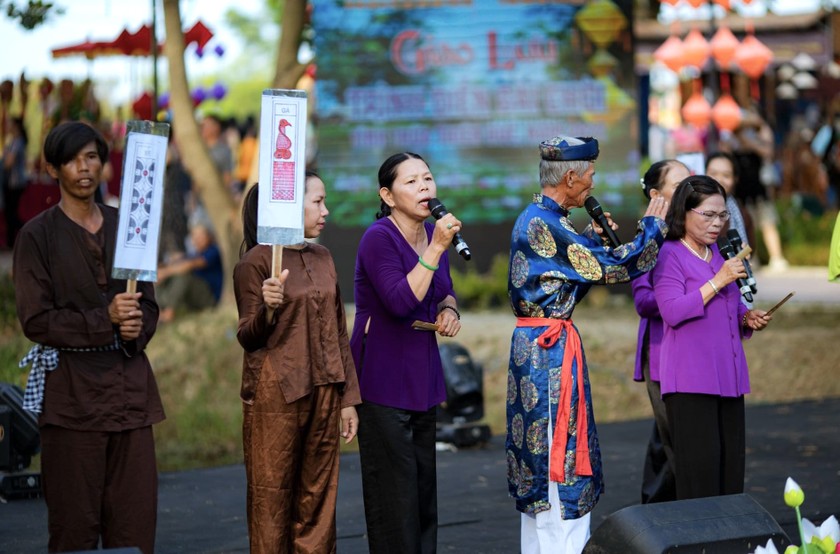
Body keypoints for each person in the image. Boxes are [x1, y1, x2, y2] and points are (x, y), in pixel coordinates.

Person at [507, 135, 669, 554]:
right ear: (571, 176)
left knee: (544, 475)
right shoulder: (543, 223)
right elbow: (615, 268)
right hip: (548, 356)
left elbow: (566, 281)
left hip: (544, 346)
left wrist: (591, 239)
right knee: (556, 467)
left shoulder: (546, 219)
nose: (593, 184)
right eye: (591, 176)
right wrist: (653, 227)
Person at [13, 121, 164, 553]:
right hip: (72, 400)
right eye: (73, 159)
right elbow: (36, 320)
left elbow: (147, 304)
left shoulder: (130, 227)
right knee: (74, 529)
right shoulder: (36, 236)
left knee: (134, 528)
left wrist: (137, 327)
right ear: (53, 168)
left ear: (105, 165)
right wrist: (106, 319)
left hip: (130, 394)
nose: (85, 168)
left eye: (93, 157)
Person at [233, 174, 360, 554]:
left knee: (318, 501)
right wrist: (268, 309)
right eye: (317, 202)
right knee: (272, 500)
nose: (325, 212)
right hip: (276, 395)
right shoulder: (256, 262)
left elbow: (339, 330)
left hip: (325, 389)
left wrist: (348, 398)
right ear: (289, 206)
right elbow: (247, 335)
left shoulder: (323, 257)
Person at [350, 152, 462, 554]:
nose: (424, 188)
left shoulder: (434, 236)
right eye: (411, 182)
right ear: (388, 194)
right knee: (394, 495)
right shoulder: (378, 238)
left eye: (427, 179)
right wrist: (434, 249)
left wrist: (449, 309)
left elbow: (441, 289)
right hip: (382, 376)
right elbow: (400, 301)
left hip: (421, 373)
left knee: (422, 492)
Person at [653, 175, 771, 500]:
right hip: (691, 380)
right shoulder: (670, 255)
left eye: (722, 215)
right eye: (708, 215)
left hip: (729, 377)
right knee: (700, 477)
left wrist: (746, 317)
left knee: (730, 471)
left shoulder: (717, 254)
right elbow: (672, 311)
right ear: (684, 213)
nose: (717, 223)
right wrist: (718, 281)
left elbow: (728, 309)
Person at [633, 159, 690, 504]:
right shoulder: (647, 237)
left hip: (697, 348)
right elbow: (644, 302)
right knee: (674, 440)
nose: (690, 188)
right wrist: (691, 297)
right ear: (656, 195)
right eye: (680, 184)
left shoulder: (701, 230)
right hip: (663, 349)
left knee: (677, 438)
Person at [156, 223, 223, 322]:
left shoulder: (213, 251)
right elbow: (178, 261)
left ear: (208, 236)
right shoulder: (195, 253)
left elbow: (191, 264)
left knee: (184, 275)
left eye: (200, 236)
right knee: (161, 276)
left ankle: (169, 312)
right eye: (194, 236)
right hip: (195, 299)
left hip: (210, 299)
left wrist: (166, 272)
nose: (197, 239)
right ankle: (159, 309)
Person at [705, 151, 754, 250]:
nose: (719, 180)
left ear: (735, 179)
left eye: (726, 175)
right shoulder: (692, 208)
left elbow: (751, 248)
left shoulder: (742, 214)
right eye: (713, 173)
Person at [2, 116, 29, 248]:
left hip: (15, 183)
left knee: (12, 214)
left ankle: (27, 232)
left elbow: (8, 163)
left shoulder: (18, 142)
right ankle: (11, 242)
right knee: (9, 214)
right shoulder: (12, 141)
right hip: (11, 182)